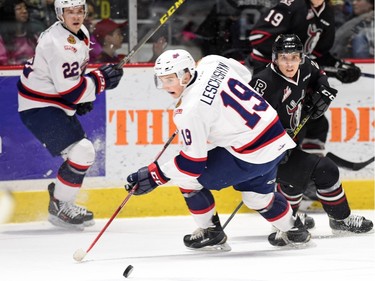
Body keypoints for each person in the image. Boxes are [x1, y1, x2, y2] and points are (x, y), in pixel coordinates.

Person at [125, 49, 311, 249]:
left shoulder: (189, 111)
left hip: (251, 153)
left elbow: (191, 165)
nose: (164, 86)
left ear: (186, 75)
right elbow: (246, 77)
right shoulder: (211, 61)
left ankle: (210, 231)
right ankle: (294, 230)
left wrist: (155, 175)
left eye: (170, 79)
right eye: (161, 80)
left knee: (187, 179)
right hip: (276, 137)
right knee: (257, 197)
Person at [249, 34, 373, 237]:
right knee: (326, 170)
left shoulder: (306, 66)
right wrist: (272, 144)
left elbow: (320, 75)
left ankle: (289, 219)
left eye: (294, 57)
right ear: (275, 58)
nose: (290, 64)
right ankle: (332, 220)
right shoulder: (262, 83)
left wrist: (322, 93)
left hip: (289, 142)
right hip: (263, 152)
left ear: (301, 57)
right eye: (284, 58)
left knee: (293, 178)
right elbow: (248, 125)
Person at [17, 0, 124, 230]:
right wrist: (99, 81)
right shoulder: (58, 44)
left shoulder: (79, 32)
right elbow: (70, 90)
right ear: (59, 14)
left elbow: (72, 80)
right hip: (38, 105)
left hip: (51, 99)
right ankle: (60, 205)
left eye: (79, 11)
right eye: (69, 12)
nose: (76, 16)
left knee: (81, 152)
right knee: (82, 151)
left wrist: (81, 98)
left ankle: (61, 200)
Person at [0, 0, 38, 65]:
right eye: (19, 8)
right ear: (10, 13)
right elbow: (3, 61)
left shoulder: (33, 36)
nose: (24, 11)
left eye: (25, 8)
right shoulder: (2, 39)